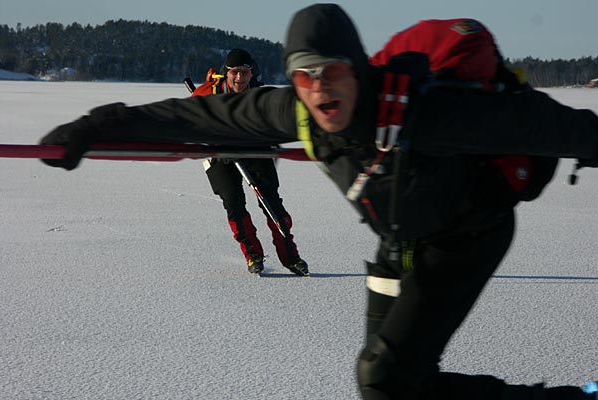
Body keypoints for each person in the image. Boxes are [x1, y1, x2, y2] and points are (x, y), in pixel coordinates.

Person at [38, 4, 598, 399]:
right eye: (305, 74)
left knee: (388, 381)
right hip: (398, 240)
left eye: (333, 71)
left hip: (465, 236)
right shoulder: (295, 111)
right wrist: (100, 123)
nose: (320, 86)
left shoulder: (431, 113)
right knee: (378, 381)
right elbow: (192, 116)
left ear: (359, 69)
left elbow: (552, 125)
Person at [192, 48, 309, 276]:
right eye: (235, 72)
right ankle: (253, 255)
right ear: (226, 73)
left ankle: (291, 258)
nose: (239, 78)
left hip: (255, 150)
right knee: (234, 204)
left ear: (251, 73)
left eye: (244, 73)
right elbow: (187, 125)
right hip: (218, 156)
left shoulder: (260, 95)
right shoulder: (207, 94)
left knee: (272, 204)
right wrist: (211, 145)